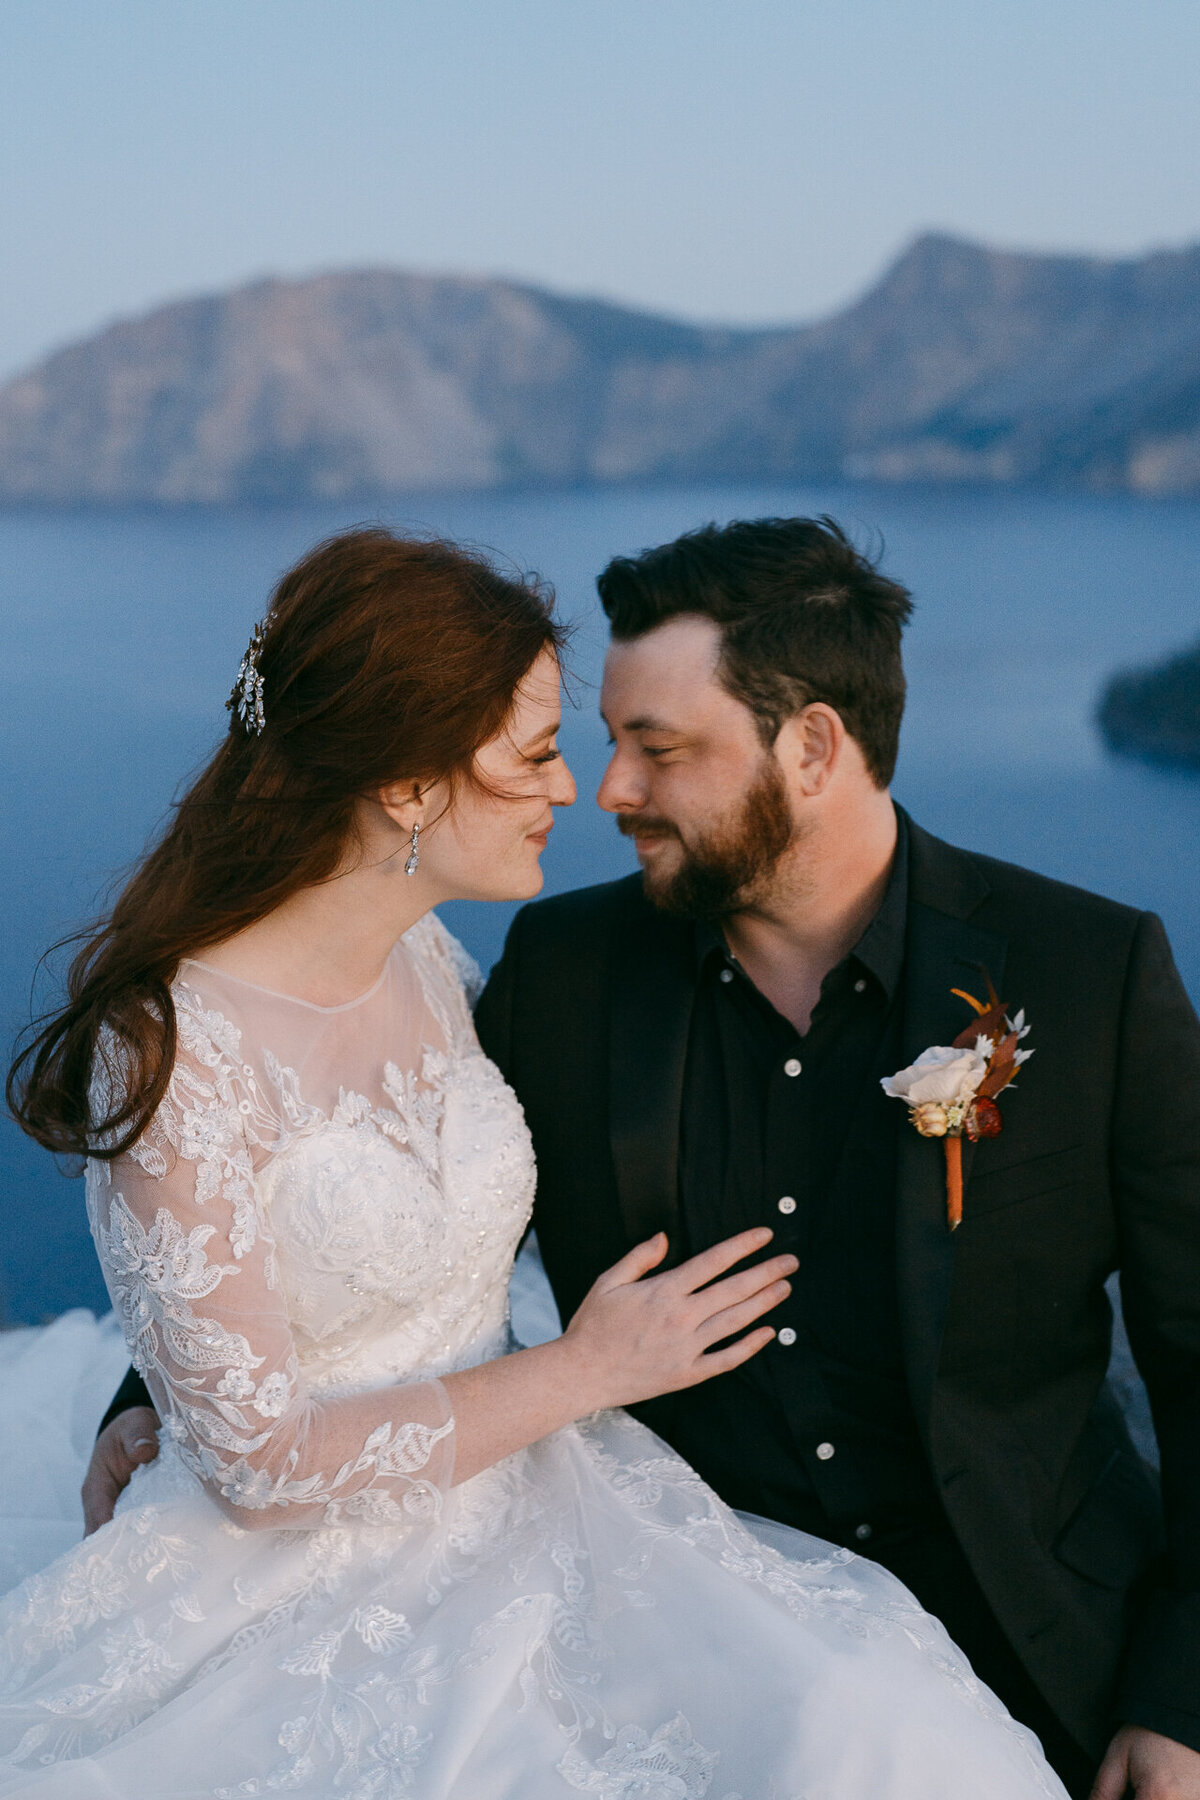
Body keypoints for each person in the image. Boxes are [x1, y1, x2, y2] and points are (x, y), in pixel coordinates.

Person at [0, 527, 1065, 1798]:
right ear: (405, 785)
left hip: (539, 1500)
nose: (578, 791)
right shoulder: (169, 1043)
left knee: (871, 1730)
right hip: (300, 1586)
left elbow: (305, 1243)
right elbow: (253, 1454)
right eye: (539, 753)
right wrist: (585, 1368)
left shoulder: (431, 968)